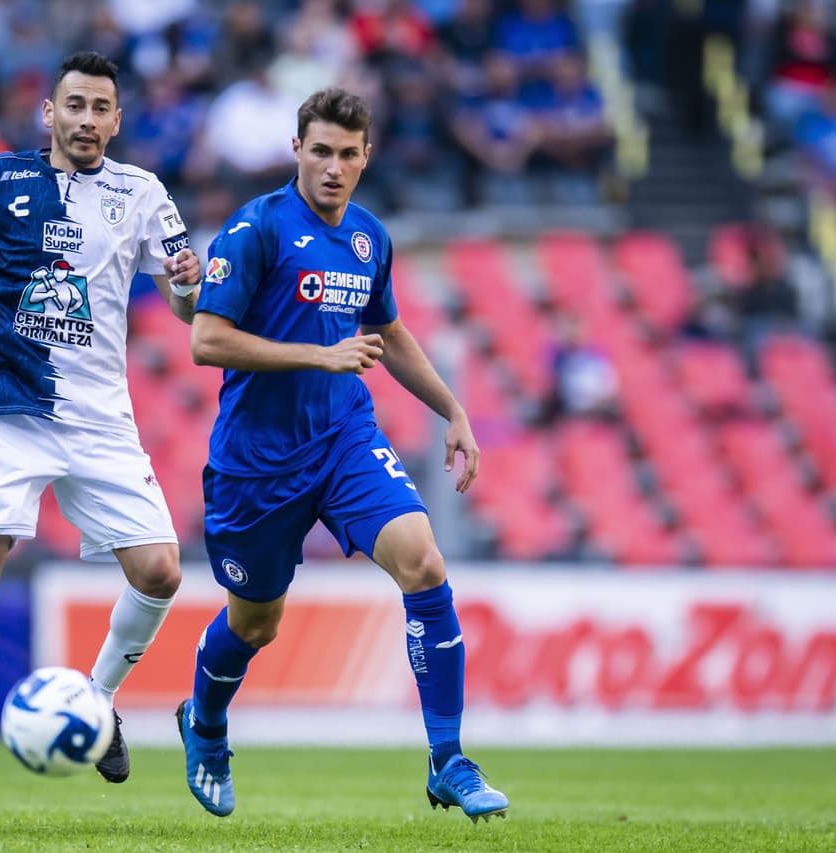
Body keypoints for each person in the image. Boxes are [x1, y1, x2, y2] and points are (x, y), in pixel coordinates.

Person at [175, 88, 509, 822]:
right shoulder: (254, 229)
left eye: (346, 154)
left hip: (345, 441)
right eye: (319, 151)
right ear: (296, 149)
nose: (332, 167)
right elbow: (206, 340)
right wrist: (315, 356)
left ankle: (447, 757)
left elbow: (386, 332)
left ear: (367, 157)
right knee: (257, 623)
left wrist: (452, 408)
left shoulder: (368, 238)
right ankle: (203, 720)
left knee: (423, 561)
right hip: (257, 461)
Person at [0, 51, 202, 803]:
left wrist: (188, 290)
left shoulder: (144, 193)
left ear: (118, 120)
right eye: (74, 105)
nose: (87, 120)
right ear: (48, 114)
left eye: (101, 108)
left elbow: (186, 309)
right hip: (11, 412)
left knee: (160, 571)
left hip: (101, 421)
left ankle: (97, 701)